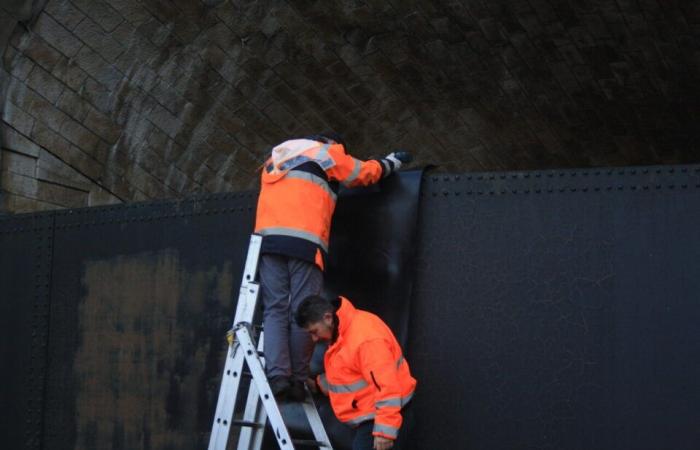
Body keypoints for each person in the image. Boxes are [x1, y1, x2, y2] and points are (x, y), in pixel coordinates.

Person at [253, 133, 410, 401]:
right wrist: (392, 162)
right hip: (304, 242)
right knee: (304, 311)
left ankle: (278, 377)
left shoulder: (278, 155)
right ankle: (299, 380)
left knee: (275, 309)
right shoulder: (326, 153)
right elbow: (362, 173)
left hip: (266, 243)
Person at [295, 295, 417, 450]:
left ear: (327, 318)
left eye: (314, 331)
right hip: (378, 417)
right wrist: (318, 385)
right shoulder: (344, 333)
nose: (314, 338)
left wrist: (385, 431)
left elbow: (387, 385)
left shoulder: (365, 338)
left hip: (384, 418)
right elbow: (349, 373)